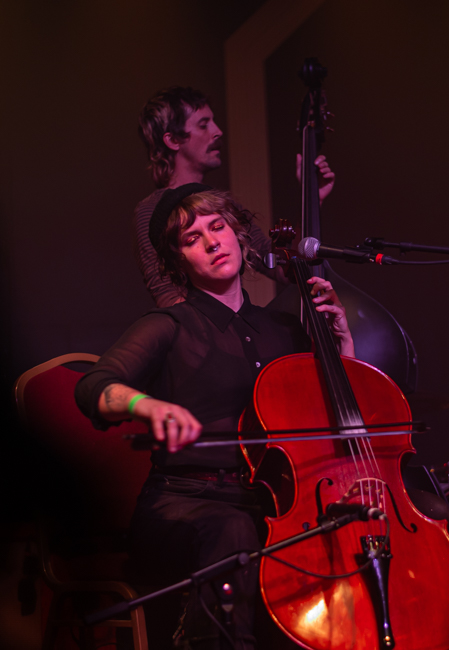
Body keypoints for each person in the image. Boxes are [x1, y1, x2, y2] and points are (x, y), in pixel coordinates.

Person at [76, 185, 353, 649]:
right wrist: (144, 404)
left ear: (240, 234)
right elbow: (94, 387)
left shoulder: (282, 330)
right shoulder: (167, 325)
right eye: (190, 239)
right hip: (185, 503)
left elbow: (329, 411)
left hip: (271, 503)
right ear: (178, 261)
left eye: (218, 227)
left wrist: (341, 344)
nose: (210, 243)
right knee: (234, 531)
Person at [135, 86, 335, 306]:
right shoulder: (152, 209)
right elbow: (168, 296)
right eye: (203, 125)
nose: (217, 131)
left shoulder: (220, 202)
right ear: (173, 140)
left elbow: (283, 270)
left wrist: (312, 199)